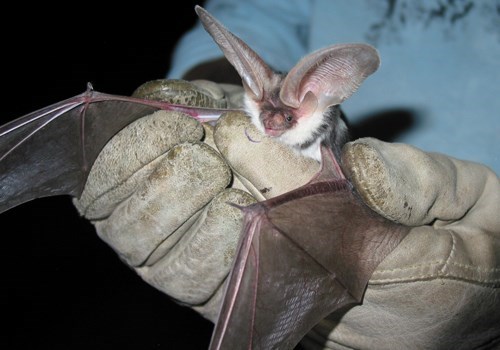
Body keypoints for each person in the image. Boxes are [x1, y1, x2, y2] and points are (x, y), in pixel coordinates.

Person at [73, 1, 500, 349]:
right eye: (266, 114)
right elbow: (260, 14)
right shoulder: (258, 105)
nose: (274, 123)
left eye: (285, 117)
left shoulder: (321, 127)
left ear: (313, 106)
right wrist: (220, 84)